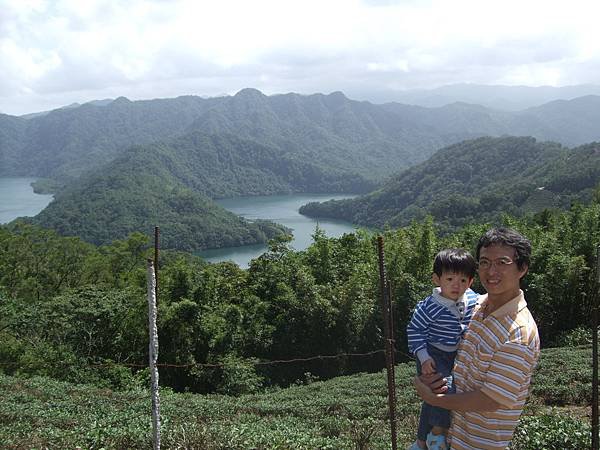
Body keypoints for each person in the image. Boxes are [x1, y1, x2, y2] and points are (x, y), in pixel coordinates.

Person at [414, 227, 540, 450]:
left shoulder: (519, 333)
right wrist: (428, 376)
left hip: (479, 444)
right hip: (450, 437)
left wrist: (435, 400)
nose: (491, 271)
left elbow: (490, 399)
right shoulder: (475, 306)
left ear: (522, 268)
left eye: (502, 262)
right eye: (484, 262)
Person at [407, 248, 479, 450]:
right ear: (436, 280)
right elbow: (414, 330)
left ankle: (421, 442)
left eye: (463, 280)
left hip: (454, 354)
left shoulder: (472, 299)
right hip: (433, 354)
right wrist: (423, 357)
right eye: (450, 279)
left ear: (471, 282)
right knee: (443, 389)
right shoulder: (429, 306)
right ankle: (437, 436)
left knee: (431, 399)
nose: (457, 285)